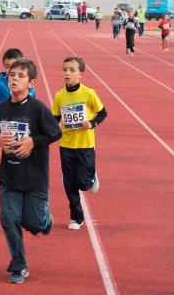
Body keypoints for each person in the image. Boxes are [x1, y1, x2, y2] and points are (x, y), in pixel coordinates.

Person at [0, 59, 62, 284]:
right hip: (9, 175)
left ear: (31, 83)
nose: (14, 79)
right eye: (12, 75)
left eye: (20, 75)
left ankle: (45, 219)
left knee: (35, 224)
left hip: (35, 177)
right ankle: (19, 265)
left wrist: (33, 142)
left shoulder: (37, 108)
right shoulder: (1, 108)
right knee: (9, 219)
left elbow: (55, 133)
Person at [52, 56, 107, 230]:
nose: (67, 73)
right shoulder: (59, 95)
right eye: (65, 69)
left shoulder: (88, 93)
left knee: (83, 183)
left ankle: (91, 178)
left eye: (72, 70)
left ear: (81, 74)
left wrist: (91, 123)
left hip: (85, 144)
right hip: (66, 145)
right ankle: (77, 217)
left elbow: (103, 112)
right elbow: (55, 118)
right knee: (69, 184)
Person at [0, 48, 36, 120]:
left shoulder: (27, 84)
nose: (10, 69)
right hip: (3, 124)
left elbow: (33, 102)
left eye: (14, 66)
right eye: (7, 66)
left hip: (23, 123)